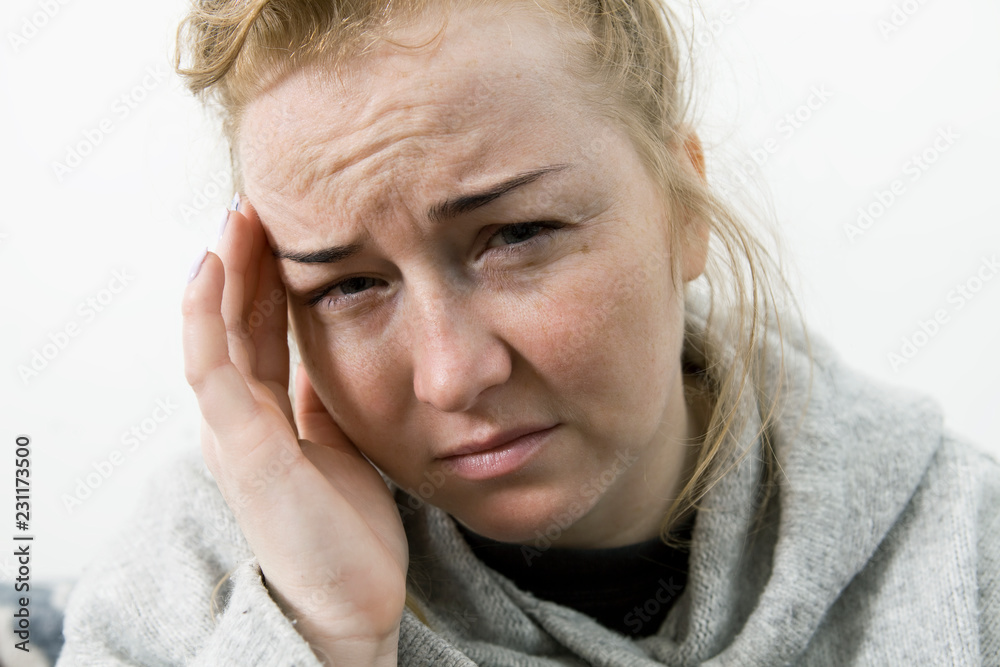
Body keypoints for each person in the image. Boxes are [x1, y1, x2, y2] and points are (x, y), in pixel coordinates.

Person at [57, 0, 998, 665]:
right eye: (347, 286)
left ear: (685, 209)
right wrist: (325, 633)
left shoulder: (965, 557)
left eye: (515, 235)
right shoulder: (199, 580)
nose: (451, 374)